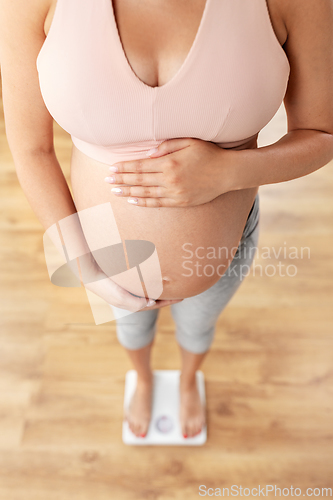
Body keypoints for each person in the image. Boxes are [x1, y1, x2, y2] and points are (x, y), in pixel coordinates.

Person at [0, 0, 332, 440]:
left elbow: (322, 135)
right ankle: (142, 378)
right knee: (130, 329)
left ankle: (190, 378)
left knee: (199, 327)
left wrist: (224, 172)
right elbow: (31, 150)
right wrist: (82, 263)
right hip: (99, 246)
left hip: (220, 253)